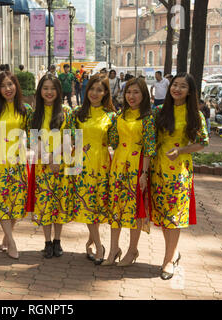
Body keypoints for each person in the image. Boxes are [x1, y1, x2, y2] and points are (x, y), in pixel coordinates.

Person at [151, 73, 209, 280]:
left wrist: (183, 150)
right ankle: (173, 253)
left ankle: (168, 261)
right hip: (158, 171)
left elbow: (203, 142)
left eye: (182, 86)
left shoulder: (195, 115)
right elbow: (150, 141)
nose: (177, 89)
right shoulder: (158, 111)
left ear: (190, 91)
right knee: (164, 216)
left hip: (180, 173)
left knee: (174, 216)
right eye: (175, 85)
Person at [104, 78, 156, 266]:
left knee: (135, 210)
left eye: (136, 92)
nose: (131, 96)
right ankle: (113, 249)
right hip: (117, 166)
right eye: (128, 92)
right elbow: (113, 140)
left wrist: (144, 173)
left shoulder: (148, 118)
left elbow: (150, 148)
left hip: (136, 167)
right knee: (116, 208)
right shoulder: (120, 115)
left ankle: (132, 250)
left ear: (143, 95)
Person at [0, 71, 33, 259]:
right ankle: (11, 242)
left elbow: (33, 136)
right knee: (2, 202)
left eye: (10, 84)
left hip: (19, 162)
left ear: (16, 86)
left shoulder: (25, 108)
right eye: (3, 86)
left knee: (17, 204)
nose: (7, 89)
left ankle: (6, 236)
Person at [72, 75, 117, 265]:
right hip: (81, 165)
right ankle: (99, 246)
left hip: (102, 165)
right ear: (86, 89)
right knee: (87, 206)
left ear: (106, 93)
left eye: (99, 90)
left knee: (98, 206)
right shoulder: (77, 113)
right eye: (92, 89)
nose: (95, 93)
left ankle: (90, 241)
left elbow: (115, 142)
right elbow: (70, 140)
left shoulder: (112, 116)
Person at [29, 74, 75, 258]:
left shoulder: (66, 111)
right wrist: (49, 160)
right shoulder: (36, 113)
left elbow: (71, 138)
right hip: (43, 166)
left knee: (59, 203)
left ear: (58, 91)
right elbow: (33, 142)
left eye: (53, 88)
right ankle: (47, 242)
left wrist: (57, 158)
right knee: (45, 203)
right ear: (40, 91)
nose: (49, 92)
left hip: (62, 165)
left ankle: (58, 241)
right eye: (45, 88)